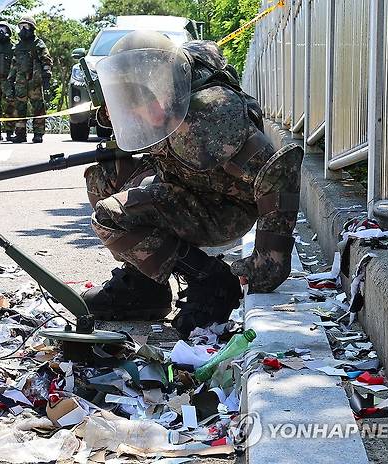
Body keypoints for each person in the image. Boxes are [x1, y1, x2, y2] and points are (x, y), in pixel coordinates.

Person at [82, 31, 303, 339]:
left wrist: (269, 259)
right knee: (103, 178)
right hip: (188, 181)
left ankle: (211, 281)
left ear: (162, 87)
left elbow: (279, 168)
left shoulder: (208, 118)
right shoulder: (168, 98)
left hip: (224, 207)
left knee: (112, 216)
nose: (135, 110)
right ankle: (147, 287)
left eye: (141, 99)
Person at [7, 16, 53, 144]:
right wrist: (10, 80)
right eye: (20, 27)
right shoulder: (18, 46)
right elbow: (14, 64)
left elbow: (46, 60)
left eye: (25, 27)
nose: (22, 30)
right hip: (20, 82)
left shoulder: (38, 43)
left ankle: (38, 134)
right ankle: (20, 134)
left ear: (32, 28)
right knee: (19, 107)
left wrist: (46, 76)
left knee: (38, 107)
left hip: (35, 82)